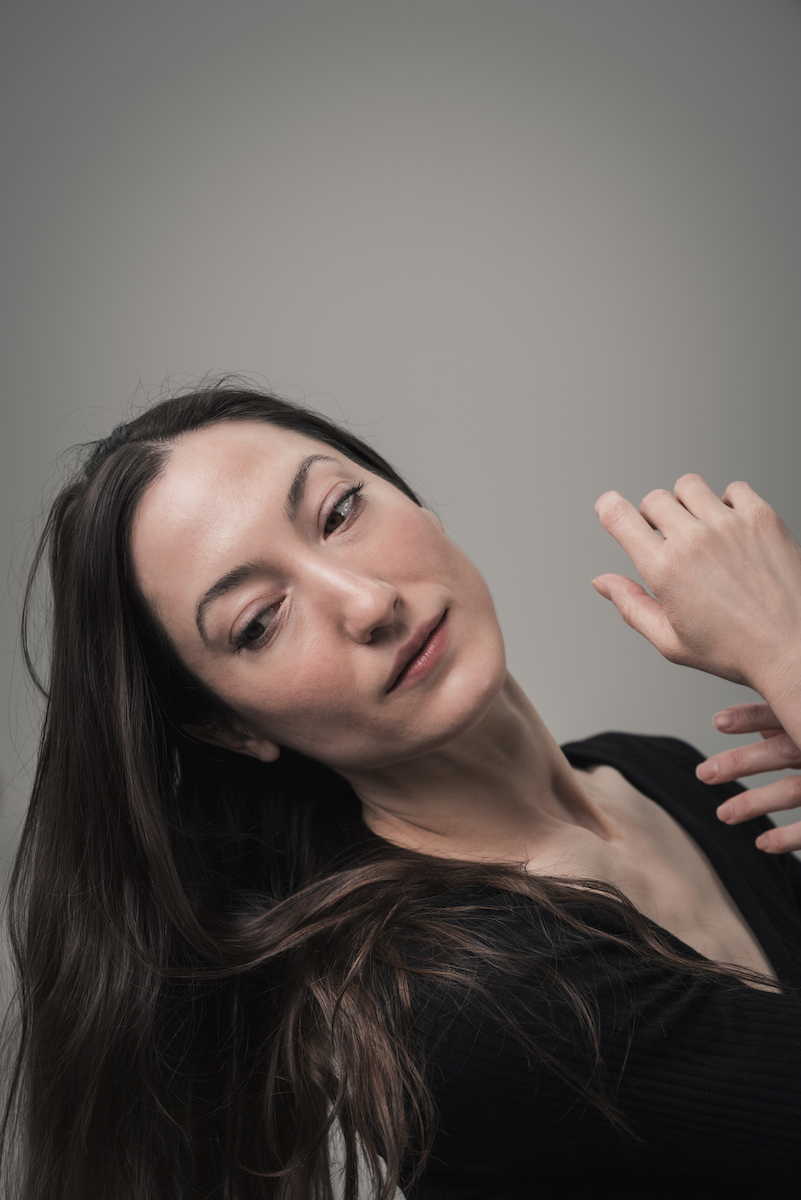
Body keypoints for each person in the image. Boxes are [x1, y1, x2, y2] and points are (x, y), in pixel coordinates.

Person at [4, 382, 801, 1200]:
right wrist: (788, 644)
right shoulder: (468, 995)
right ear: (229, 728)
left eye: (341, 512)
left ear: (410, 499)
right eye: (258, 621)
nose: (369, 602)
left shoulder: (661, 774)